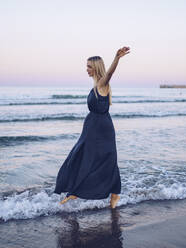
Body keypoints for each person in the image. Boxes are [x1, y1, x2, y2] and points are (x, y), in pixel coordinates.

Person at [54, 46, 130, 208]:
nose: (86, 69)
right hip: (93, 127)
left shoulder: (103, 83)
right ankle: (78, 190)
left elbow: (109, 74)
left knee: (101, 159)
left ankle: (109, 193)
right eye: (86, 66)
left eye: (89, 66)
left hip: (101, 128)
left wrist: (116, 58)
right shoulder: (97, 86)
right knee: (81, 156)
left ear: (95, 67)